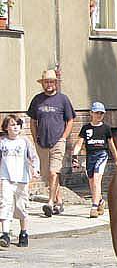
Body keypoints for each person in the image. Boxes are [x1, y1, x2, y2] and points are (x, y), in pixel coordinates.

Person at [27, 67, 75, 217]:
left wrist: (63, 137)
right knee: (48, 175)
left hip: (57, 142)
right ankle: (59, 201)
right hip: (42, 142)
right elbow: (33, 121)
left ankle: (50, 203)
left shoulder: (63, 99)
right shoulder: (37, 99)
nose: (49, 84)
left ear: (55, 83)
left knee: (54, 172)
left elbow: (71, 120)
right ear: (42, 84)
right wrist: (35, 139)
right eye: (46, 82)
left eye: (51, 81)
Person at [71, 102, 117, 218]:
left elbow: (111, 145)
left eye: (101, 113)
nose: (99, 115)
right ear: (91, 113)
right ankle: (100, 201)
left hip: (102, 154)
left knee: (97, 179)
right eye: (97, 113)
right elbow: (79, 143)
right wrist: (74, 156)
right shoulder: (86, 128)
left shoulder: (106, 128)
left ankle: (94, 206)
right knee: (92, 182)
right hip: (90, 156)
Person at [0, 114, 39, 247]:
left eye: (17, 124)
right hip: (6, 178)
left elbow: (33, 157)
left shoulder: (24, 141)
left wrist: (35, 169)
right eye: (12, 124)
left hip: (22, 179)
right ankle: (5, 234)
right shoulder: (2, 142)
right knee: (5, 204)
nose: (15, 127)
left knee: (21, 207)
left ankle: (23, 232)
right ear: (6, 127)